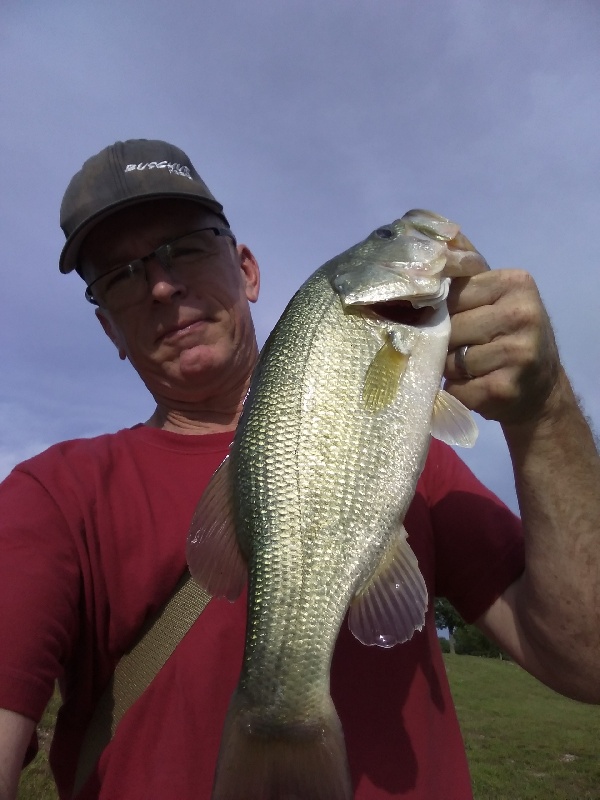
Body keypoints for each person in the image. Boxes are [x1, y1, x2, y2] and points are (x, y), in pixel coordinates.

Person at [0, 139, 598, 800]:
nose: (162, 285)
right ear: (110, 329)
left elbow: (588, 657)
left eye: (187, 248)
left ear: (247, 270)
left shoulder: (410, 465)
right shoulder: (51, 498)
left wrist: (543, 416)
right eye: (120, 274)